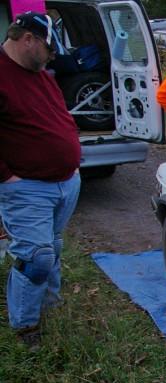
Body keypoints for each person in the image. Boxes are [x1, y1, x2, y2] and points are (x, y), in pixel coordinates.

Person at [0, 12, 82, 347]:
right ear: (28, 39)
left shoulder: (42, 76)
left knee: (53, 248)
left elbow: (59, 116)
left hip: (65, 181)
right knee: (37, 257)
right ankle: (26, 328)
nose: (51, 57)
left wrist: (73, 160)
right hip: (27, 185)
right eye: (48, 50)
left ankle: (49, 308)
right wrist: (7, 177)